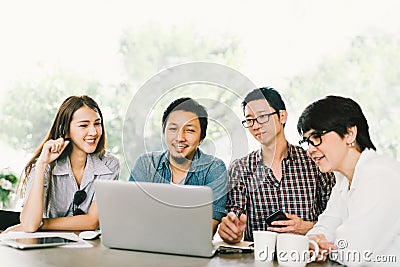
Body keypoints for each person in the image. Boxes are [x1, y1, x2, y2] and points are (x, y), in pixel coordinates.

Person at [218, 87, 335, 243]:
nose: (255, 125)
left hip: (307, 257)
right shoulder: (240, 168)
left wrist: (308, 227)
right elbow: (235, 216)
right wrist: (231, 231)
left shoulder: (314, 160)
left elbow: (337, 218)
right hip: (257, 258)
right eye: (249, 120)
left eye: (262, 116)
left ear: (282, 116)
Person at [297, 95, 400, 266]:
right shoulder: (343, 181)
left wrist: (321, 246)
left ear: (350, 134)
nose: (310, 150)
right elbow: (322, 229)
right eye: (307, 141)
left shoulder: (381, 175)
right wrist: (314, 242)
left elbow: (354, 252)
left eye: (316, 137)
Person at [5, 95, 120, 233]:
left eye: (97, 123)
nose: (94, 132)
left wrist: (41, 224)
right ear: (65, 130)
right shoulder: (45, 165)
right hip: (49, 249)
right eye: (84, 125)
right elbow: (30, 224)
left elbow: (92, 221)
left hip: (90, 249)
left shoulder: (110, 165)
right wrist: (42, 164)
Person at [129, 97, 228, 234]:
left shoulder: (215, 169)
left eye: (189, 130)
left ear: (202, 138)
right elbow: (131, 218)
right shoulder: (146, 164)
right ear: (164, 132)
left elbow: (205, 230)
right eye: (173, 129)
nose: (179, 137)